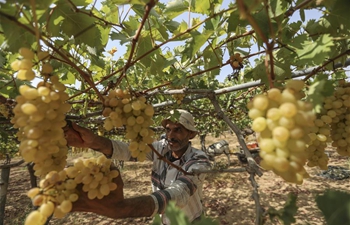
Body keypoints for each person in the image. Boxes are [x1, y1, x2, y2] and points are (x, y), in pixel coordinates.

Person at [64, 109, 211, 224]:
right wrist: (94, 141)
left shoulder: (199, 160)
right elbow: (129, 151)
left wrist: (124, 208)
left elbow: (180, 193)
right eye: (168, 129)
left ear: (191, 134)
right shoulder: (160, 149)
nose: (171, 135)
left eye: (178, 130)